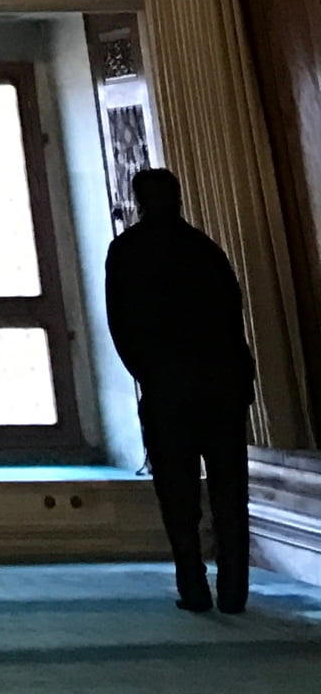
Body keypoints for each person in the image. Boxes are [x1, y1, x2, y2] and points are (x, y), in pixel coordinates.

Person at [104, 166, 256, 615]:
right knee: (230, 492)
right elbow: (232, 318)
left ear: (138, 202)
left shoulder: (127, 250)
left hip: (168, 390)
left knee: (178, 496)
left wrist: (150, 376)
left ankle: (193, 586)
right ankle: (234, 590)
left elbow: (121, 326)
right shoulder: (204, 249)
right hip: (222, 388)